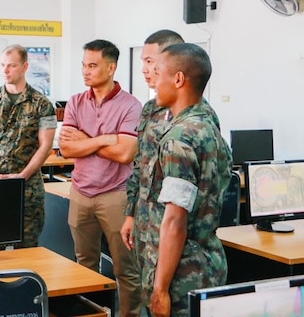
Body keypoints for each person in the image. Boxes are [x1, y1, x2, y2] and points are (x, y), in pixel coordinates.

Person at [127, 43, 232, 317]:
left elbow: (175, 221)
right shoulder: (208, 123)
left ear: (178, 79)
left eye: (158, 73)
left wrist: (160, 289)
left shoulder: (178, 140)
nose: (154, 82)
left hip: (180, 274)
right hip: (208, 263)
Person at [58, 39, 142, 317]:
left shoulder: (130, 105)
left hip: (115, 194)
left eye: (92, 66)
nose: (85, 71)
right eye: (84, 65)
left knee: (125, 268)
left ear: (111, 67)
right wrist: (106, 139)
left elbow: (125, 154)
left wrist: (88, 140)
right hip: (80, 192)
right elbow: (68, 148)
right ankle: (93, 313)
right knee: (84, 265)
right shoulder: (75, 102)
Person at [0, 44, 56, 247]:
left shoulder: (42, 103)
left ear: (25, 67)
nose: (5, 71)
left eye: (11, 66)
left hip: (27, 187)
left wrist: (23, 176)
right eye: (2, 65)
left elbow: (46, 146)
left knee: (27, 248)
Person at [123, 30, 186, 234]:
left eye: (150, 61)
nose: (144, 69)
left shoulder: (193, 120)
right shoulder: (151, 109)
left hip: (172, 228)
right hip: (145, 222)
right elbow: (140, 164)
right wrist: (131, 214)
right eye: (143, 62)